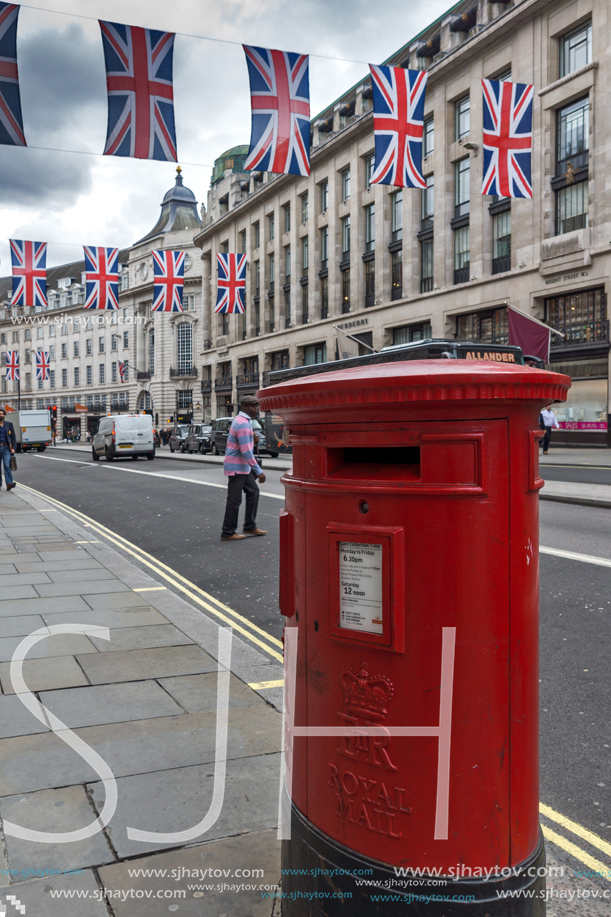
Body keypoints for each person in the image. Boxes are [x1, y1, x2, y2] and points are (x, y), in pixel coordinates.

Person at [220, 395, 267, 541]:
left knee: (253, 492)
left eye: (256, 405)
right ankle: (227, 532)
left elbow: (244, 442)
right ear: (245, 407)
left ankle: (249, 526)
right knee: (234, 501)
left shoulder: (243, 421)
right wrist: (259, 472)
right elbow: (246, 451)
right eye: (253, 406)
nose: (256, 409)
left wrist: (252, 437)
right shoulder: (243, 424)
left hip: (242, 467)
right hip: (237, 467)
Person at [0, 409, 17, 491]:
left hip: (6, 448)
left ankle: (9, 483)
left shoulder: (9, 424)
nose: (1, 415)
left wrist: (13, 448)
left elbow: (13, 437)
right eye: (0, 414)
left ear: (4, 415)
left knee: (7, 465)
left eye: (2, 414)